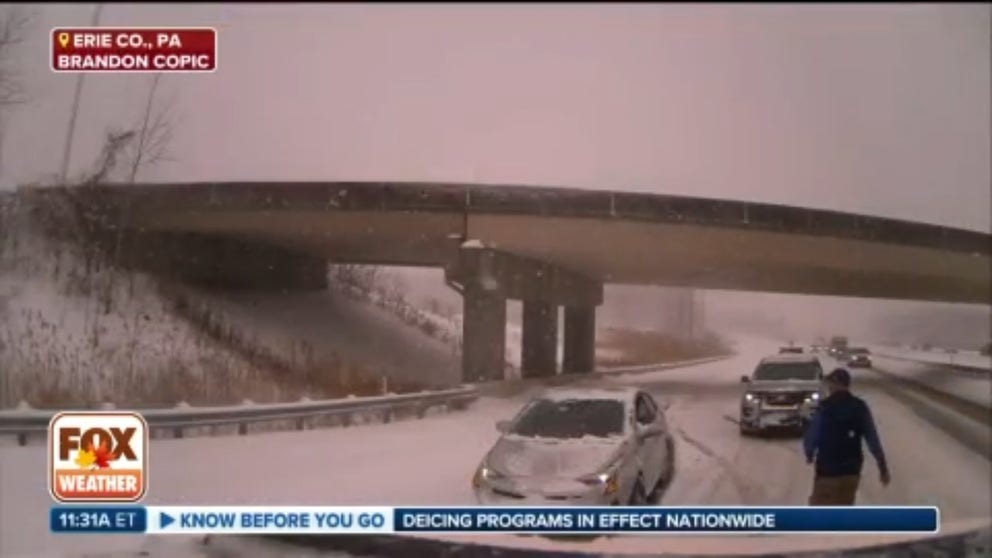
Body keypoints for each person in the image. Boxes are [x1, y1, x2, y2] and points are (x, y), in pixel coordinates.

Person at [803, 368, 890, 505]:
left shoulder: (825, 408)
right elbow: (872, 438)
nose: (829, 387)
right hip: (851, 472)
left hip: (827, 472)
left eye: (831, 383)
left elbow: (813, 435)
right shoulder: (860, 407)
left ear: (837, 384)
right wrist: (882, 466)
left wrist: (809, 453)